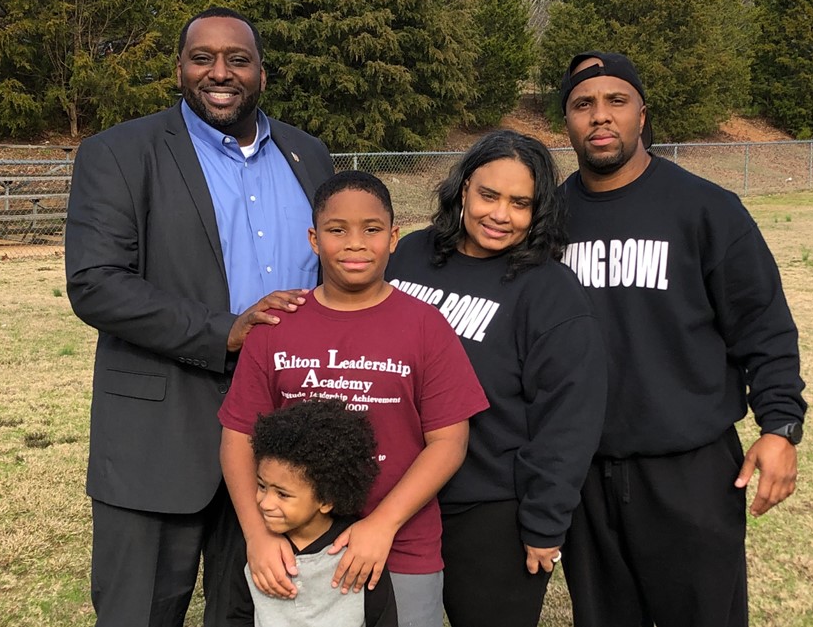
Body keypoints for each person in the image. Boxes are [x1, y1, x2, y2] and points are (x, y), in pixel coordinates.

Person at [65, 7, 334, 627]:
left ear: (262, 73)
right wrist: (226, 329)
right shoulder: (119, 153)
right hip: (158, 438)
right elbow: (95, 284)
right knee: (142, 612)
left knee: (256, 612)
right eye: (203, 58)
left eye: (238, 59)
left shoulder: (308, 155)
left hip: (282, 436)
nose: (220, 72)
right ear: (179, 69)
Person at [555, 51, 809, 627]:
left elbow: (764, 326)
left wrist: (781, 427)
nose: (600, 116)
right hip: (582, 471)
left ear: (642, 114)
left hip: (690, 469)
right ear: (566, 122)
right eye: (582, 105)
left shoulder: (706, 208)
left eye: (616, 101)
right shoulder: (548, 219)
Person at [218, 171, 489, 627]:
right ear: (313, 238)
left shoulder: (425, 326)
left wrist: (381, 525)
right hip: (294, 547)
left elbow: (449, 443)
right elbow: (238, 436)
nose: (355, 243)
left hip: (399, 543)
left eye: (372, 229)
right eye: (337, 229)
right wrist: (257, 535)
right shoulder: (276, 327)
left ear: (394, 237)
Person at [385, 130, 607, 627]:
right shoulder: (410, 256)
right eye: (488, 195)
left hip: (489, 510)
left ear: (538, 211)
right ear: (463, 189)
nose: (500, 214)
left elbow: (571, 415)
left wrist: (545, 520)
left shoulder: (550, 291)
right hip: (392, 498)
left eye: (519, 203)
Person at [231, 398, 398, 627]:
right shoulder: (253, 548)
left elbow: (382, 618)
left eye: (282, 494)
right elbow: (237, 616)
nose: (265, 503)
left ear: (326, 499)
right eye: (261, 486)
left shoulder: (359, 551)